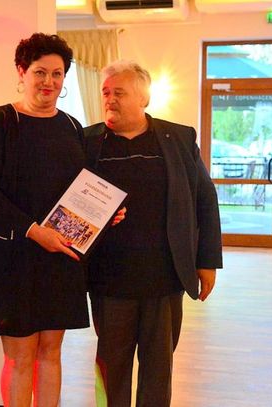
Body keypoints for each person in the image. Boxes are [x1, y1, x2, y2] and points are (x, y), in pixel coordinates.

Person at [84, 60, 223, 406]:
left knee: (158, 370)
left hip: (165, 278)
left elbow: (205, 198)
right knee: (110, 369)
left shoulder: (179, 138)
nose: (110, 99)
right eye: (105, 92)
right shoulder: (87, 141)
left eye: (119, 92)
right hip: (109, 281)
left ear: (143, 98)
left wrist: (207, 261)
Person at [0, 33, 88, 407]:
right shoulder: (0, 121)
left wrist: (105, 214)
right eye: (40, 72)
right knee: (20, 357)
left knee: (51, 352)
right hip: (14, 257)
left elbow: (84, 190)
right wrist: (35, 232)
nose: (49, 81)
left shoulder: (72, 127)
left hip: (59, 258)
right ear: (22, 72)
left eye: (57, 73)